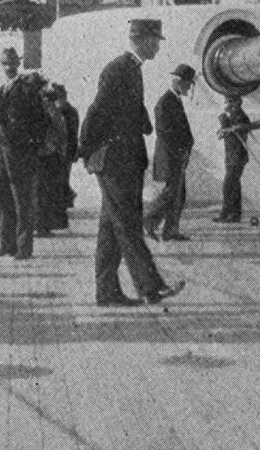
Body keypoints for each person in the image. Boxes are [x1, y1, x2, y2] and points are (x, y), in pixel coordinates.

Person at [79, 19, 185, 306]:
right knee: (127, 223)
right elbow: (97, 111)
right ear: (143, 40)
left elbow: (126, 110)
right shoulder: (118, 69)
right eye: (156, 41)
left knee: (111, 230)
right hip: (114, 162)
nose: (158, 47)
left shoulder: (132, 70)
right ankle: (151, 286)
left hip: (123, 160)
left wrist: (144, 123)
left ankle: (107, 292)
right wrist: (85, 149)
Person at [0, 48, 47, 260]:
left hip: (19, 154)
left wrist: (31, 146)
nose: (8, 67)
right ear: (1, 65)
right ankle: (6, 244)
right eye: (4, 63)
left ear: (17, 64)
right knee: (2, 200)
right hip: (1, 152)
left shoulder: (27, 89)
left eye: (11, 63)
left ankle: (24, 247)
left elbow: (41, 120)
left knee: (22, 201)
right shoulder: (2, 89)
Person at [143, 64, 196, 241]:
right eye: (187, 84)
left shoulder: (174, 100)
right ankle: (150, 221)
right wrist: (180, 151)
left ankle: (169, 229)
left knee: (177, 194)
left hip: (177, 155)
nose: (189, 88)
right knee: (173, 193)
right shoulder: (165, 102)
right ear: (178, 82)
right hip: (171, 155)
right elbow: (164, 132)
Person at [34, 75, 69, 235]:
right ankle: (43, 226)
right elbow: (60, 128)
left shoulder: (29, 104)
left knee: (36, 190)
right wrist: (60, 147)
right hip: (47, 152)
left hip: (33, 152)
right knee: (45, 190)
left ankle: (37, 225)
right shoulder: (49, 106)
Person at [213, 94, 251, 223]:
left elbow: (238, 130)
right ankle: (234, 214)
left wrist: (225, 123)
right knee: (234, 185)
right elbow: (227, 132)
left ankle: (227, 213)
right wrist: (224, 125)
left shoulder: (241, 116)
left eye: (228, 102)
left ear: (235, 103)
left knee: (228, 185)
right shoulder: (234, 116)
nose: (226, 105)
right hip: (231, 156)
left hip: (237, 156)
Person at [51, 83, 79, 216]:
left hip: (58, 150)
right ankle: (65, 202)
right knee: (64, 177)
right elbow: (74, 133)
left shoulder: (57, 110)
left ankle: (60, 205)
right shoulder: (72, 110)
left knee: (57, 178)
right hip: (69, 149)